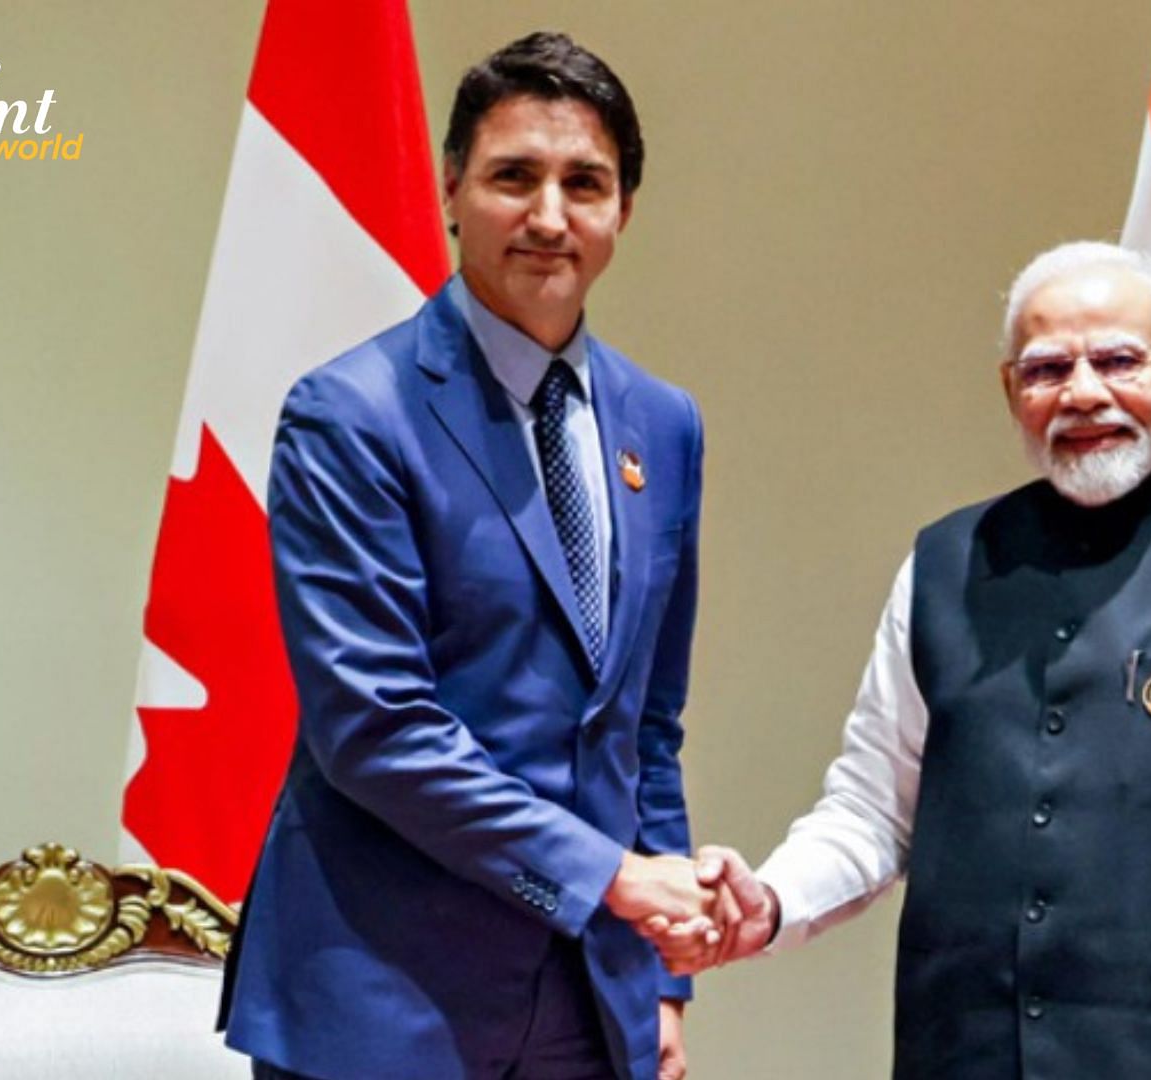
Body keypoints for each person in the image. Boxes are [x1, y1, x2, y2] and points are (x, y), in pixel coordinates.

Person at [659, 242, 1151, 1078]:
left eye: (1118, 360)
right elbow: (871, 810)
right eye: (1048, 368)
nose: (1084, 391)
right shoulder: (945, 564)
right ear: (1011, 391)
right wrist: (770, 903)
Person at [220, 32, 713, 1080]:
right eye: (512, 177)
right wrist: (613, 880)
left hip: (593, 1005)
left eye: (585, 182)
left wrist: (662, 978)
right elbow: (376, 729)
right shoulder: (351, 415)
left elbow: (645, 727)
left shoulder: (664, 427)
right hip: (383, 1001)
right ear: (453, 191)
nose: (549, 216)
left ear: (624, 211)